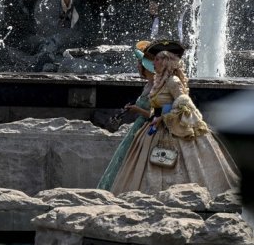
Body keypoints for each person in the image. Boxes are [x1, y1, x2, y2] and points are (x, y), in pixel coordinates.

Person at [110, 41, 239, 196]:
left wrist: (164, 117)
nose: (154, 63)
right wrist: (155, 116)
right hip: (154, 129)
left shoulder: (173, 81)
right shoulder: (159, 81)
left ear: (165, 62)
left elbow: (184, 104)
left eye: (157, 59)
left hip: (173, 129)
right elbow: (158, 107)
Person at [97, 41, 155, 191]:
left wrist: (137, 109)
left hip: (150, 130)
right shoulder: (149, 84)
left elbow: (157, 113)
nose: (137, 66)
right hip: (140, 129)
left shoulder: (157, 86)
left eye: (139, 63)